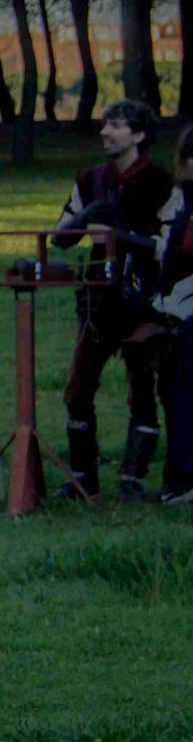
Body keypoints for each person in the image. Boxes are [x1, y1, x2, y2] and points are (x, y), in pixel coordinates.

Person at [52, 99, 176, 500]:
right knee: (77, 388)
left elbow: (167, 247)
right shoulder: (90, 179)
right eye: (105, 124)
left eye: (116, 125)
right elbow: (59, 237)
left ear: (138, 134)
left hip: (144, 299)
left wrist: (120, 236)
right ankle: (82, 480)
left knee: (142, 388)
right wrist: (85, 215)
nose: (105, 132)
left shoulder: (162, 183)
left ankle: (132, 480)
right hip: (98, 299)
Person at [156, 126, 193, 503]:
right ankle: (181, 475)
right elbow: (168, 258)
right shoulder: (179, 199)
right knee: (177, 391)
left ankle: (183, 475)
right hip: (180, 309)